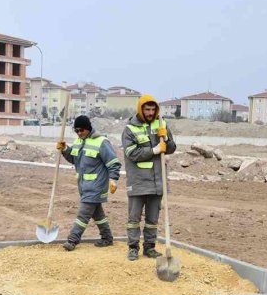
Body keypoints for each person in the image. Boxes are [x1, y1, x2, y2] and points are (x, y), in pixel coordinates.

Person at [121, 95, 177, 261]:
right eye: (147, 109)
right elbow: (131, 153)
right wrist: (154, 150)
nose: (151, 112)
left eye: (153, 109)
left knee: (153, 219)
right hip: (138, 182)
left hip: (157, 181)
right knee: (134, 219)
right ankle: (133, 248)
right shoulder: (130, 129)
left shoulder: (161, 124)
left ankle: (150, 248)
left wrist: (166, 138)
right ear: (141, 109)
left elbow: (172, 148)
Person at [57, 115, 121, 250]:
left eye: (81, 130)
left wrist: (114, 179)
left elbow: (114, 163)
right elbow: (74, 159)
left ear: (88, 128)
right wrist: (65, 149)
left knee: (83, 215)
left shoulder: (102, 142)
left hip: (96, 186)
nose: (79, 133)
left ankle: (72, 240)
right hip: (84, 186)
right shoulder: (79, 141)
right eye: (76, 131)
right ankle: (107, 238)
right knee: (98, 214)